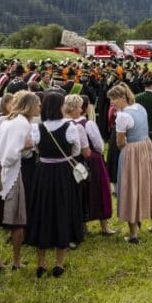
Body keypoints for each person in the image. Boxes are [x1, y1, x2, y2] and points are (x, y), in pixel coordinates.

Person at [25, 92, 84, 278]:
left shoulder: (37, 128)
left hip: (43, 172)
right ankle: (59, 263)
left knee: (42, 212)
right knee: (63, 211)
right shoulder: (70, 127)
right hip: (63, 173)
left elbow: (36, 149)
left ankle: (41, 262)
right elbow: (75, 151)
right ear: (60, 107)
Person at [108, 84, 152, 243]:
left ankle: (133, 234)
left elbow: (119, 142)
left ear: (123, 97)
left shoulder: (122, 116)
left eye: (113, 99)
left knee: (130, 188)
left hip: (132, 151)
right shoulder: (140, 107)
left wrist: (126, 149)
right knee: (149, 184)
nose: (112, 103)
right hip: (146, 147)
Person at [0, 91, 38, 270]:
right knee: (17, 220)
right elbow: (12, 153)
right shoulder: (22, 123)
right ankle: (16, 261)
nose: (39, 108)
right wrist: (26, 146)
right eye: (37, 104)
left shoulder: (8, 120)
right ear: (30, 106)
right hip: (10, 172)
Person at [64, 94, 115, 236]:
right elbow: (98, 145)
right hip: (91, 159)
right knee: (99, 191)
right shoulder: (87, 124)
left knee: (81, 193)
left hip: (72, 161)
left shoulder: (64, 123)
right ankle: (104, 226)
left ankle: (83, 225)